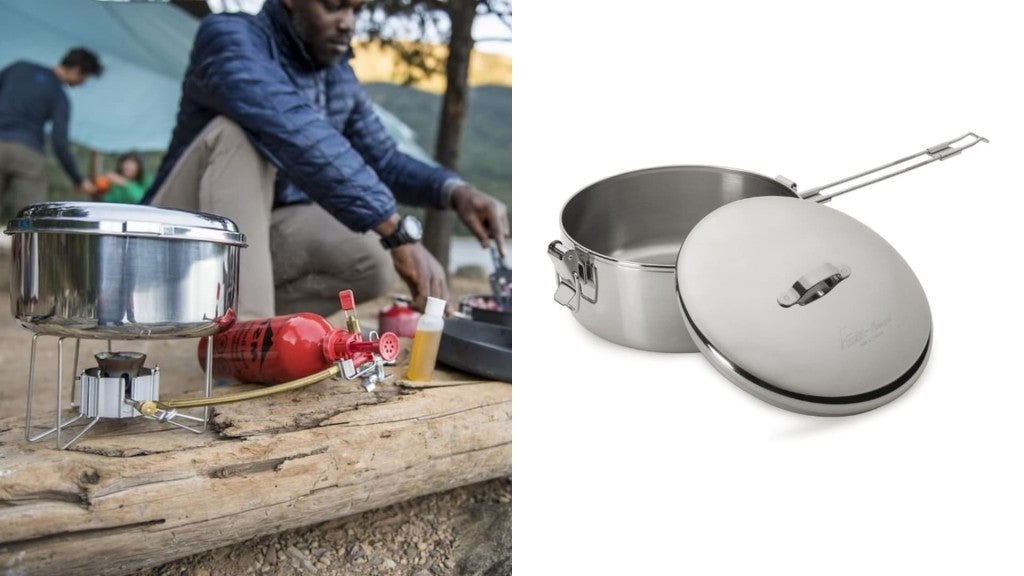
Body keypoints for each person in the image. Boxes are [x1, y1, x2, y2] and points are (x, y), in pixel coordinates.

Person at [144, 0, 508, 320]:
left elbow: (383, 159)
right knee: (238, 135)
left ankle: (252, 332)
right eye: (334, 5)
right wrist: (397, 232)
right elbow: (293, 128)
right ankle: (243, 341)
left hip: (259, 229)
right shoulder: (229, 38)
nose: (348, 22)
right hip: (179, 227)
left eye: (356, 9)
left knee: (371, 261)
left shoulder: (337, 78)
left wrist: (456, 191)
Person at [0, 48, 103, 216]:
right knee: (32, 218)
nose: (81, 84)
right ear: (77, 70)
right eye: (84, 79)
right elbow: (59, 143)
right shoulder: (60, 96)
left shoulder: (19, 67)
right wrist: (79, 180)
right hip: (28, 154)